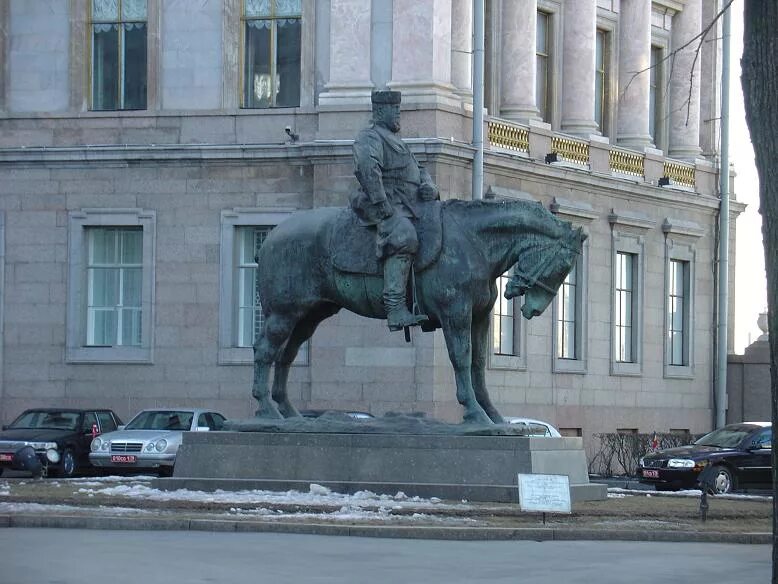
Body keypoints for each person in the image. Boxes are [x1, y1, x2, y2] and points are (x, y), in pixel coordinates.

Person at [351, 90, 439, 331]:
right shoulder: (370, 137)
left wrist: (429, 185)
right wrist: (382, 205)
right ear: (380, 111)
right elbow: (366, 168)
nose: (399, 114)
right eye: (394, 110)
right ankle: (395, 307)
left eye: (399, 109)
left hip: (411, 205)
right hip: (384, 205)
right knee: (404, 236)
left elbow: (419, 168)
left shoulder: (396, 140)